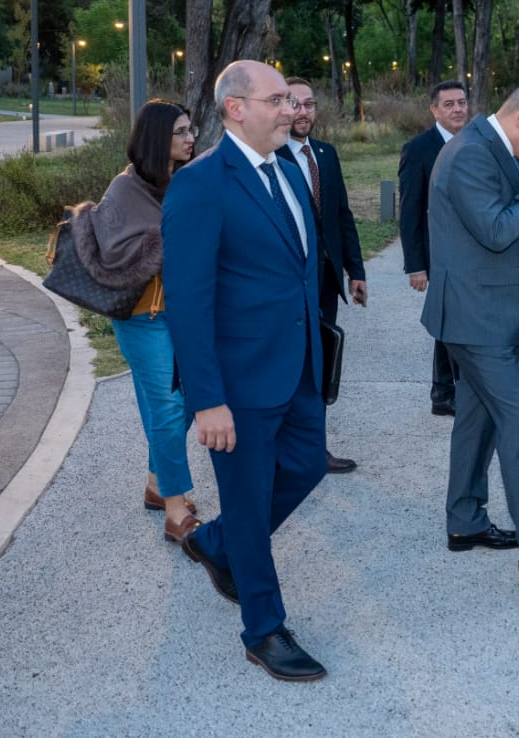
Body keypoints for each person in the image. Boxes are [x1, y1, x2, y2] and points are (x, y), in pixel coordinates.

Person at [162, 60, 329, 682]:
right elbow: (188, 298)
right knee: (249, 497)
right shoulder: (201, 184)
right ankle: (263, 628)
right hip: (237, 382)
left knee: (308, 465)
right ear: (236, 108)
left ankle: (217, 542)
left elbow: (298, 270)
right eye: (278, 100)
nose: (292, 109)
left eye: (290, 100)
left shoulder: (286, 167)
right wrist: (208, 401)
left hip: (297, 367)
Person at [423, 82, 519, 595]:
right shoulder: (470, 153)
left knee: (477, 419)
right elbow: (495, 229)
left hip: (494, 315)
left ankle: (465, 519)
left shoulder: (490, 146)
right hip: (476, 321)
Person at [80, 99, 201, 543]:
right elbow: (117, 254)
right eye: (181, 132)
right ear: (157, 139)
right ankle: (174, 507)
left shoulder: (182, 180)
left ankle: (156, 483)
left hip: (180, 312)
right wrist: (171, 238)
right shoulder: (125, 188)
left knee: (186, 400)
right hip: (140, 315)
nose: (191, 139)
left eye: (191, 130)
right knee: (168, 406)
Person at [278, 77, 365, 474]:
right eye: (294, 103)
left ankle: (315, 450)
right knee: (285, 366)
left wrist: (356, 271)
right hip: (287, 284)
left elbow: (342, 215)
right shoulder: (273, 157)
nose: (303, 112)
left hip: (326, 281)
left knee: (320, 365)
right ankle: (280, 451)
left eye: (309, 104)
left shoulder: (326, 155)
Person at [398, 80, 470, 415]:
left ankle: (445, 392)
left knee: (456, 322)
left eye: (462, 102)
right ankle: (445, 392)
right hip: (437, 255)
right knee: (449, 323)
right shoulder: (418, 149)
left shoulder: (475, 143)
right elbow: (410, 210)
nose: (457, 109)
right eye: (449, 104)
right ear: (434, 110)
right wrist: (416, 265)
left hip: (471, 253)